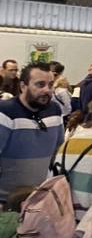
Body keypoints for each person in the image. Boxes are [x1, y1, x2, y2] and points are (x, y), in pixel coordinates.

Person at [0, 62, 64, 203]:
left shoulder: (55, 110)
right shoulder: (5, 113)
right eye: (40, 84)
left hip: (38, 200)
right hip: (5, 202)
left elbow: (58, 151)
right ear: (23, 86)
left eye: (50, 85)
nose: (47, 90)